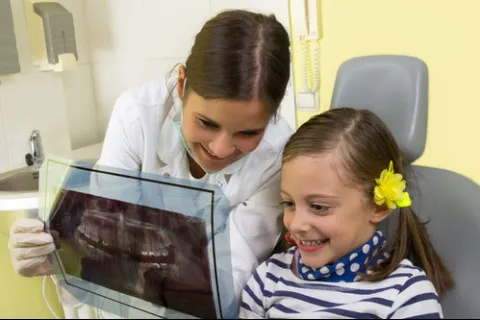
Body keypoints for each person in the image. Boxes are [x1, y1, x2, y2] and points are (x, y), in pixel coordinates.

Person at [8, 9, 294, 318]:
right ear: (182, 86)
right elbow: (106, 230)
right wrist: (60, 255)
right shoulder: (137, 116)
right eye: (206, 122)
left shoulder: (277, 153)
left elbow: (231, 271)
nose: (221, 148)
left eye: (248, 132)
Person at [239, 108, 455, 319]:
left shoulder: (404, 295)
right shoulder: (268, 278)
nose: (295, 224)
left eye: (319, 207)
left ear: (378, 207)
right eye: (289, 203)